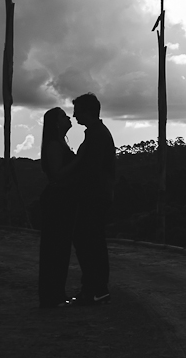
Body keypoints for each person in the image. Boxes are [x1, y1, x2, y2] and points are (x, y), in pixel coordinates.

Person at [70, 92, 116, 305]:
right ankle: (94, 288)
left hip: (94, 195)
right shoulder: (96, 133)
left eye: (77, 111)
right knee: (90, 241)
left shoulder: (97, 135)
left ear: (87, 111)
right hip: (96, 194)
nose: (73, 115)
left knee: (89, 241)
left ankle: (96, 288)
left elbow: (92, 170)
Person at [37, 107, 77, 308]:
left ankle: (56, 294)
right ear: (56, 123)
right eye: (64, 116)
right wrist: (79, 161)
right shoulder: (54, 145)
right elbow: (57, 174)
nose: (68, 117)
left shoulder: (60, 143)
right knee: (55, 248)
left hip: (62, 198)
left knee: (60, 248)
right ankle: (53, 296)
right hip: (57, 200)